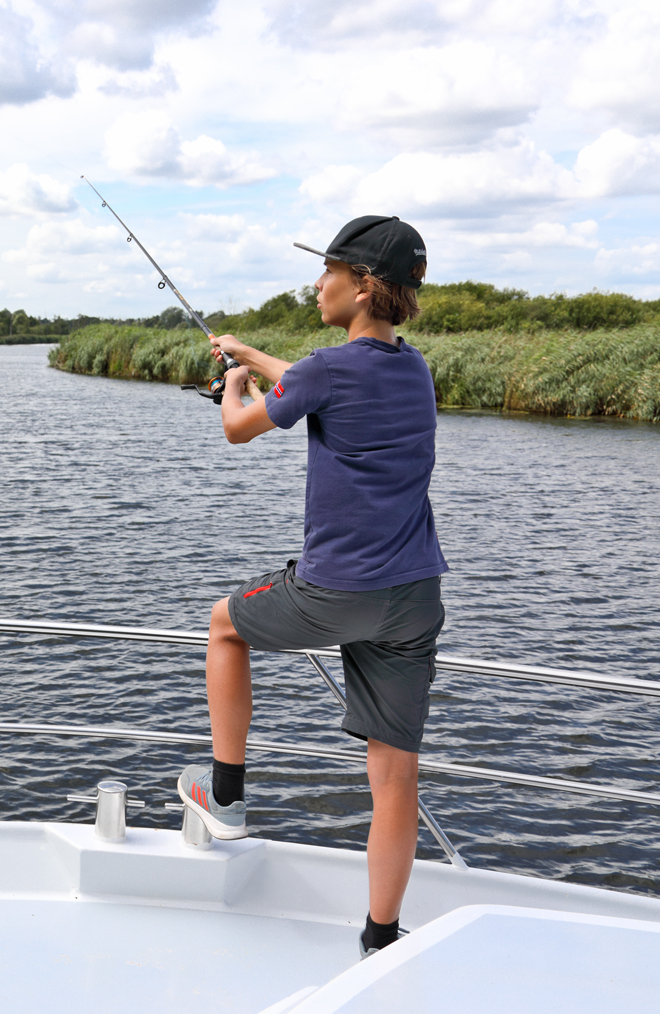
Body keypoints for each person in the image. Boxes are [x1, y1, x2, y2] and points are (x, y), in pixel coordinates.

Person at [175, 215, 447, 959]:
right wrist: (250, 351)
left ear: (361, 285)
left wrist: (234, 384)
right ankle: (380, 937)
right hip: (414, 596)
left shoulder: (327, 370)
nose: (317, 283)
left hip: (340, 591)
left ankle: (224, 796)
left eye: (327, 271)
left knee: (225, 622)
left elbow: (239, 427)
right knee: (394, 774)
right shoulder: (412, 367)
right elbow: (320, 378)